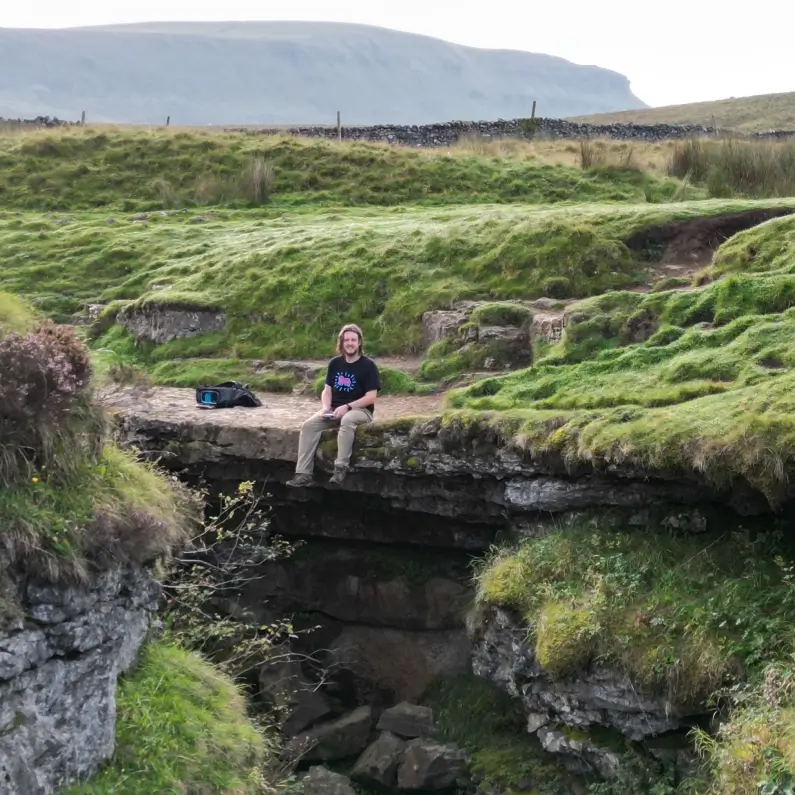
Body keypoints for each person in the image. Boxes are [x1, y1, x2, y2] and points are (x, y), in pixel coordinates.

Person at [286, 323, 380, 487]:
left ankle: (340, 468)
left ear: (359, 343)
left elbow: (371, 397)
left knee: (347, 419)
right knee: (308, 426)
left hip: (360, 411)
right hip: (334, 410)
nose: (349, 343)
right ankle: (303, 474)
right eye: (346, 340)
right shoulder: (335, 363)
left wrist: (348, 407)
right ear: (341, 342)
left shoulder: (368, 366)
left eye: (353, 340)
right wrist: (326, 407)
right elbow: (327, 390)